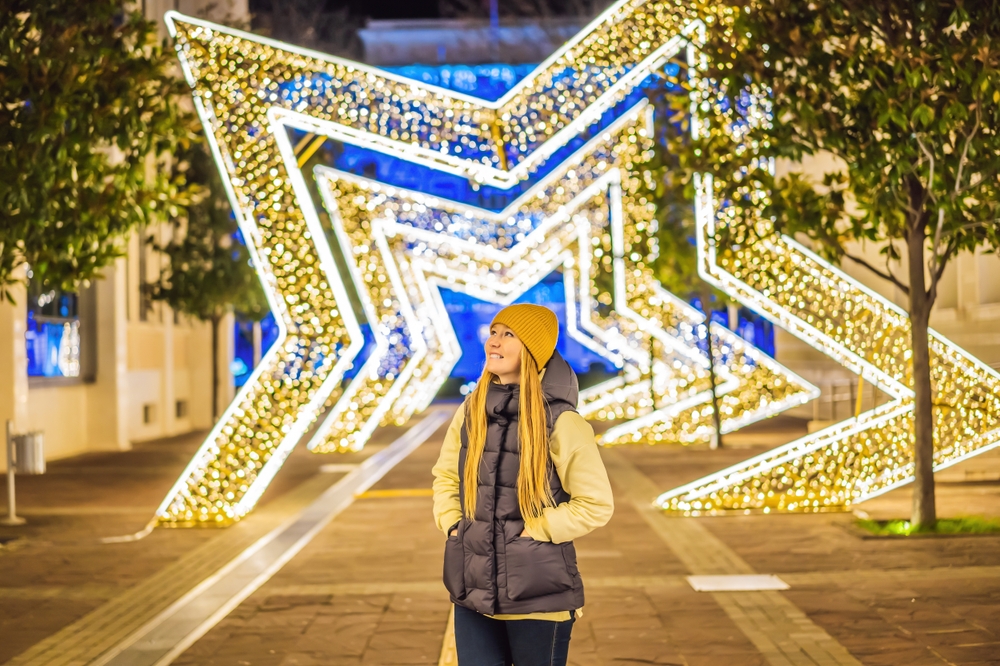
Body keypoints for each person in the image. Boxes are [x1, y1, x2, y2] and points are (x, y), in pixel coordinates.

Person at [432, 303, 615, 666]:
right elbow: (447, 477)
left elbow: (596, 503)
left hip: (538, 596)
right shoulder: (471, 410)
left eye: (508, 334)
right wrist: (454, 525)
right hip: (472, 593)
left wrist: (535, 530)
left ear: (532, 348)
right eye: (493, 332)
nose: (493, 341)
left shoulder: (562, 421)